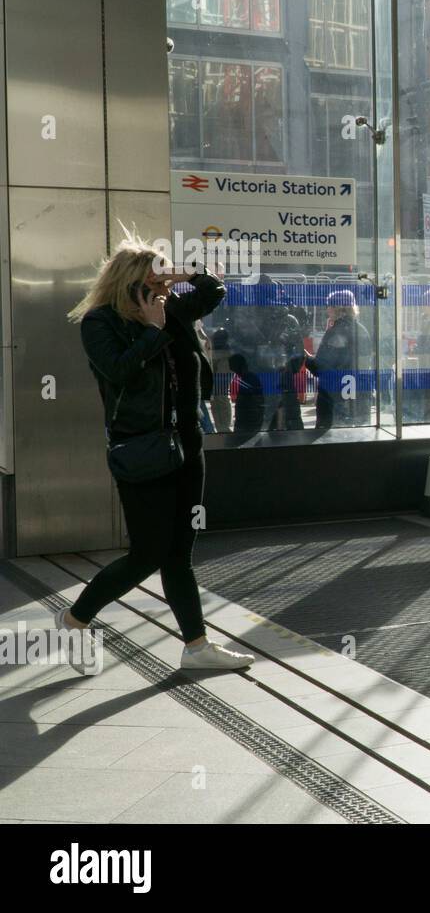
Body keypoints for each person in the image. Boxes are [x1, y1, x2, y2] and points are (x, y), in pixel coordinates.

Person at [61, 233, 255, 672]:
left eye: (166, 282)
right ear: (132, 282)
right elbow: (119, 372)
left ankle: (196, 646)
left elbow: (213, 291)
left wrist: (187, 274)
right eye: (155, 282)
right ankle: (75, 618)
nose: (164, 291)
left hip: (188, 444)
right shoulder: (101, 322)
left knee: (178, 553)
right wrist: (151, 330)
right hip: (142, 447)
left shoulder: (175, 311)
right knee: (148, 553)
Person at [297, 289, 374, 430]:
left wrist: (304, 357)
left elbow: (321, 368)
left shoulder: (336, 332)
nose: (327, 310)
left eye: (330, 306)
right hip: (359, 396)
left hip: (336, 397)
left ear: (339, 309)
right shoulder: (362, 330)